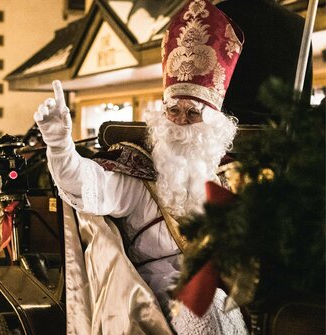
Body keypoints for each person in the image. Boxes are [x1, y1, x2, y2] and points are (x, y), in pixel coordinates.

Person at [34, 0, 247, 333]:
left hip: (227, 289)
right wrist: (59, 145)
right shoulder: (139, 174)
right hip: (158, 298)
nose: (179, 123)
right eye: (173, 112)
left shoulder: (231, 177)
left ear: (212, 126)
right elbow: (85, 185)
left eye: (192, 115)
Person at [216, 0, 313, 124]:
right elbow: (302, 100)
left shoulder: (215, 15)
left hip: (223, 130)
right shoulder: (301, 25)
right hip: (279, 132)